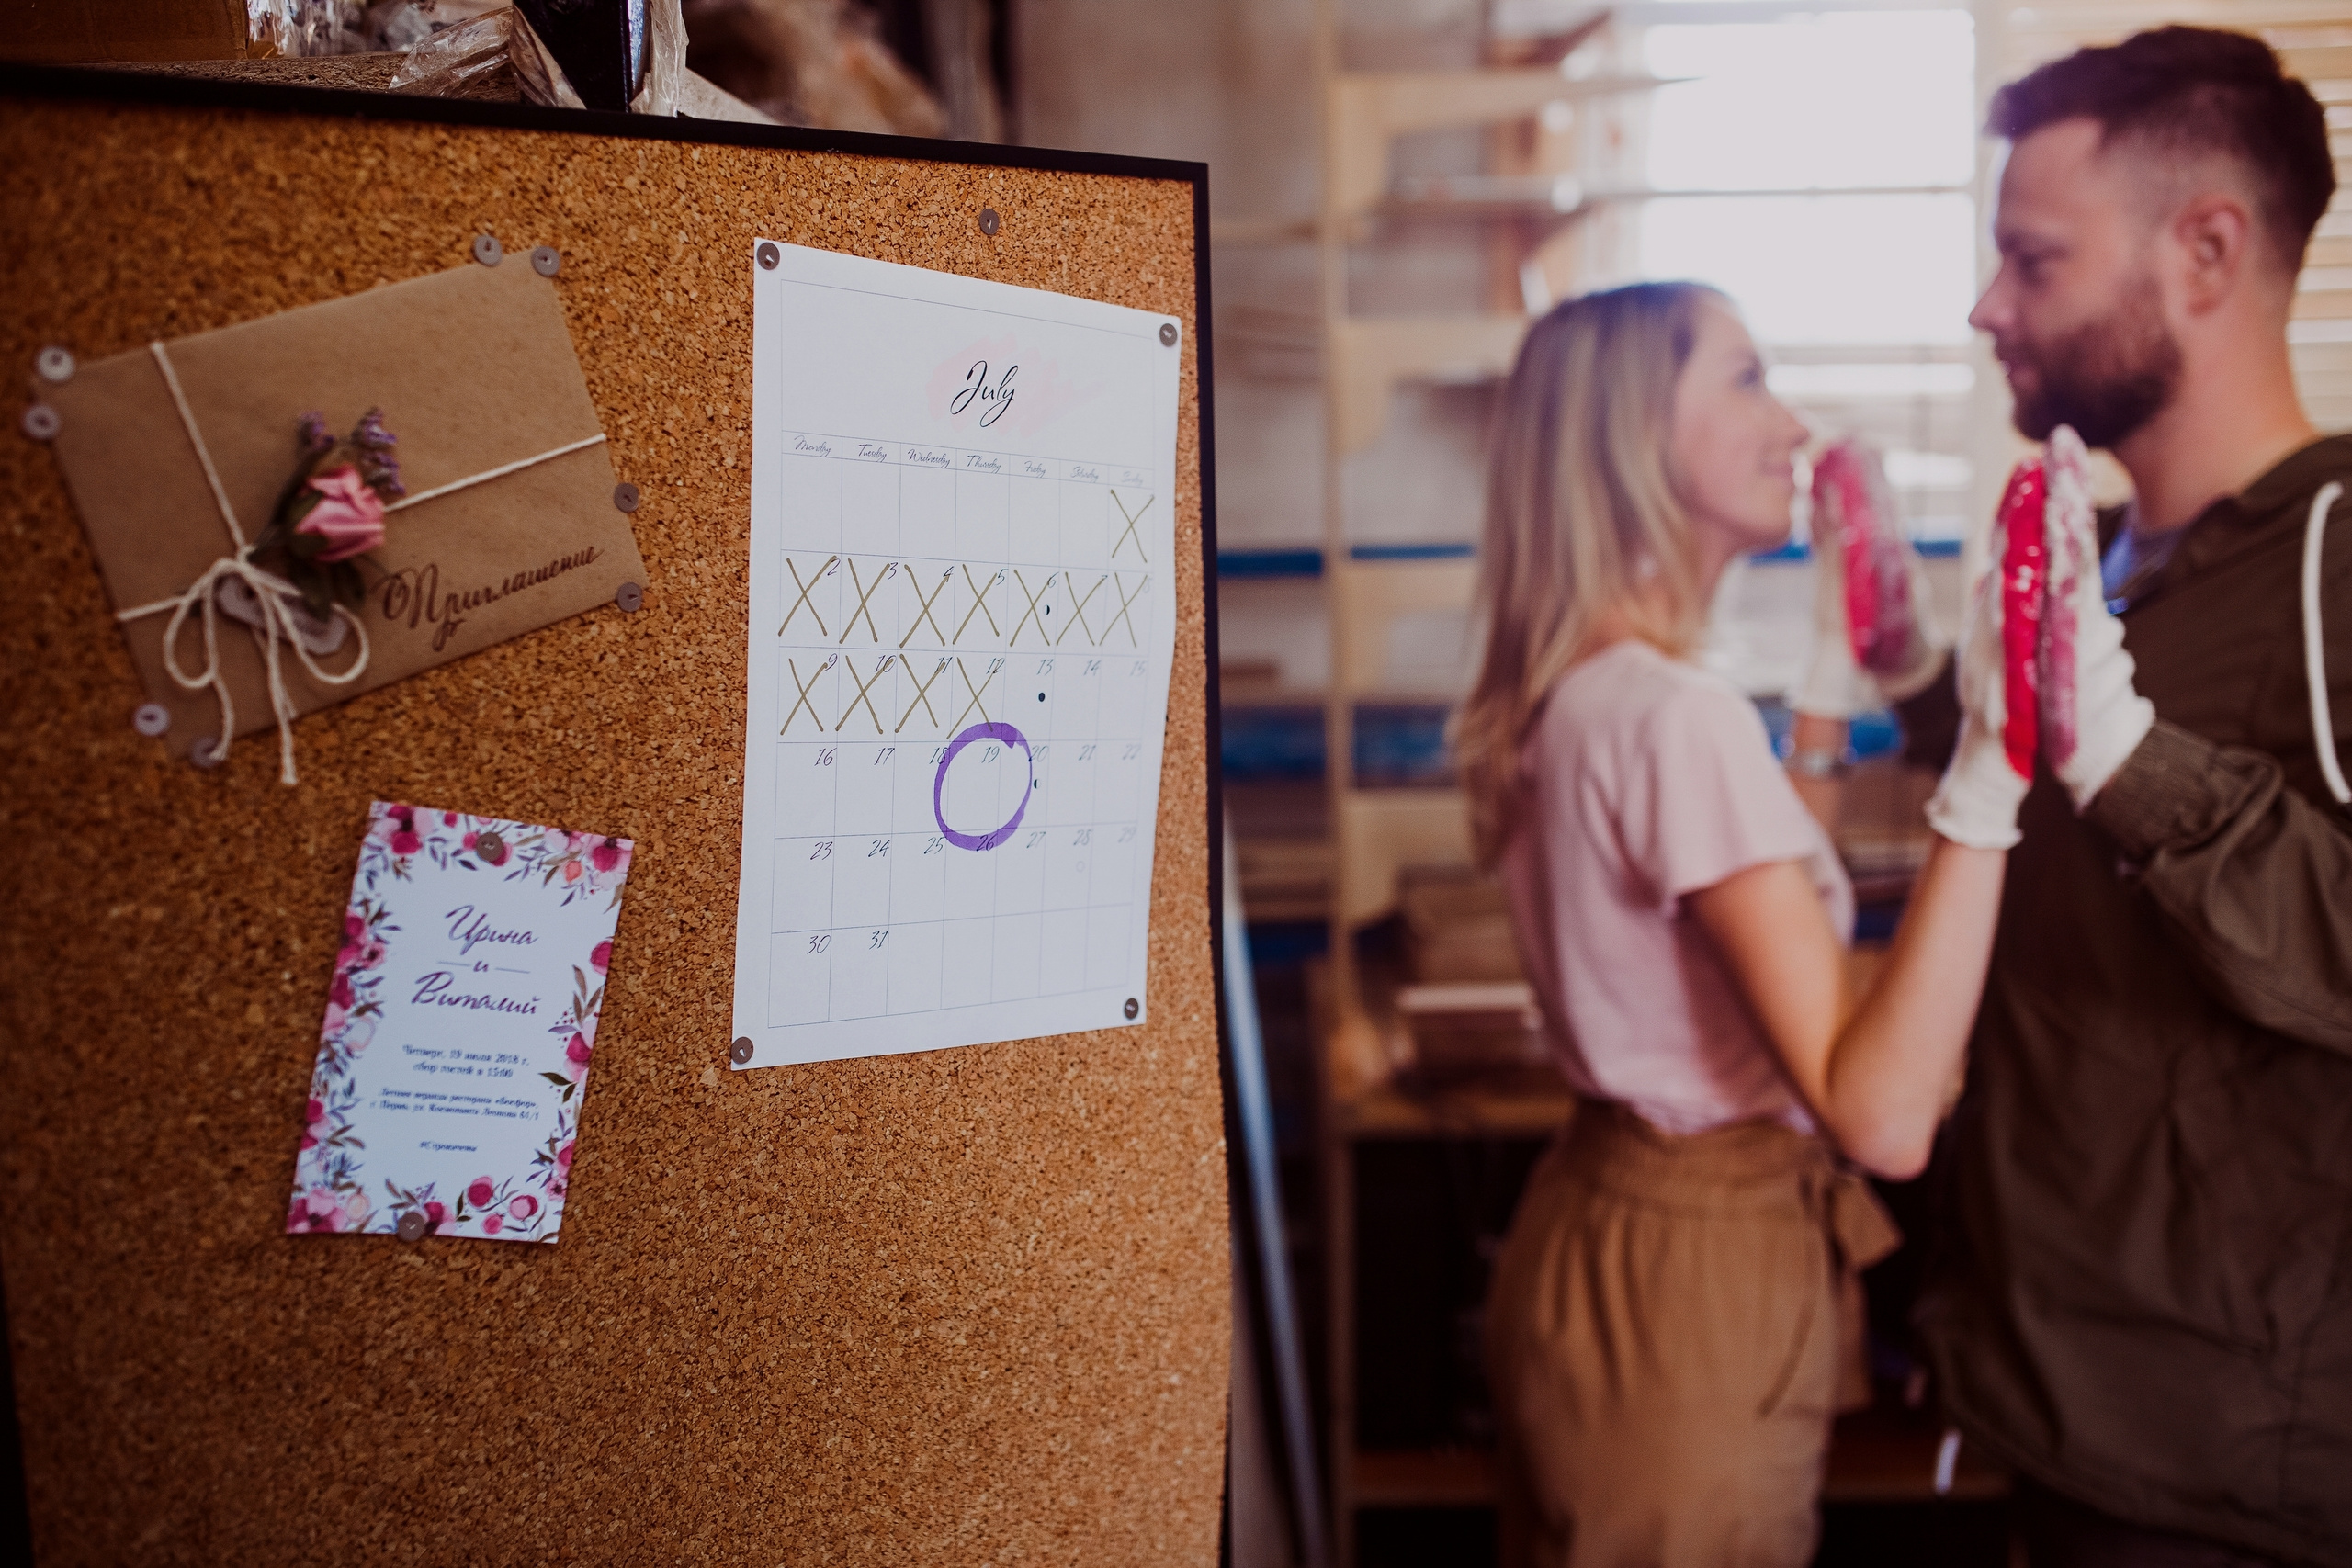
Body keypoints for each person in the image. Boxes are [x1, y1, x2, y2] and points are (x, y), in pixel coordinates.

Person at [1459, 280, 2032, 1567]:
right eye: (1747, 378)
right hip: (1692, 1288)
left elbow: (1764, 923)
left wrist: (1829, 683)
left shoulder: (1585, 687)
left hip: (1609, 1231)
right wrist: (1992, 766)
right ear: (1632, 434)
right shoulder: (1676, 717)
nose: (1793, 424)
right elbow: (1881, 1116)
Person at [1896, 28, 2352, 1567]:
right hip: (2045, 1401)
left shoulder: (2339, 564)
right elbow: (2067, 865)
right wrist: (1920, 686)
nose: (1985, 304)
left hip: (2228, 1480)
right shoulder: (2117, 557)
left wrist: (2129, 755)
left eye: (2032, 259)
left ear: (2206, 252)